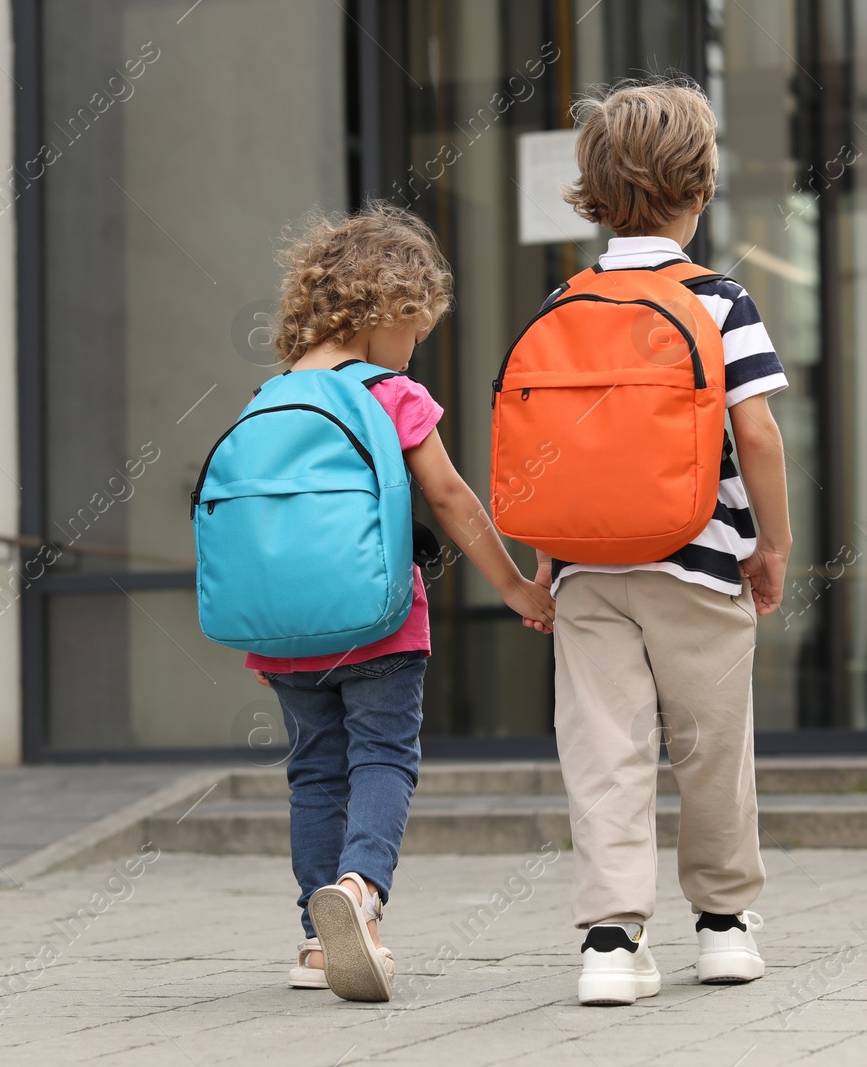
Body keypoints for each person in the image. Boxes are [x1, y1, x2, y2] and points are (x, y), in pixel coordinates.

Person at [248, 203, 555, 1003]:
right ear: (385, 309)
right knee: (383, 755)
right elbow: (451, 499)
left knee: (314, 771)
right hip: (380, 623)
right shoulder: (388, 391)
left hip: (288, 633)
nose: (417, 346)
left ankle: (319, 944)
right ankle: (361, 893)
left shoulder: (269, 396)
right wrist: (517, 584)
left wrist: (263, 633)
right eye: (417, 327)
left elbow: (256, 529)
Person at [540, 78, 792, 1006]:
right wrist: (773, 543)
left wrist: (547, 552)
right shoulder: (719, 301)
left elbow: (546, 445)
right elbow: (757, 434)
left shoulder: (564, 302)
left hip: (586, 570)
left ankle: (610, 944)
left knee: (603, 749)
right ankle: (724, 927)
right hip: (698, 557)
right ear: (704, 184)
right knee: (711, 746)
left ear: (593, 190)